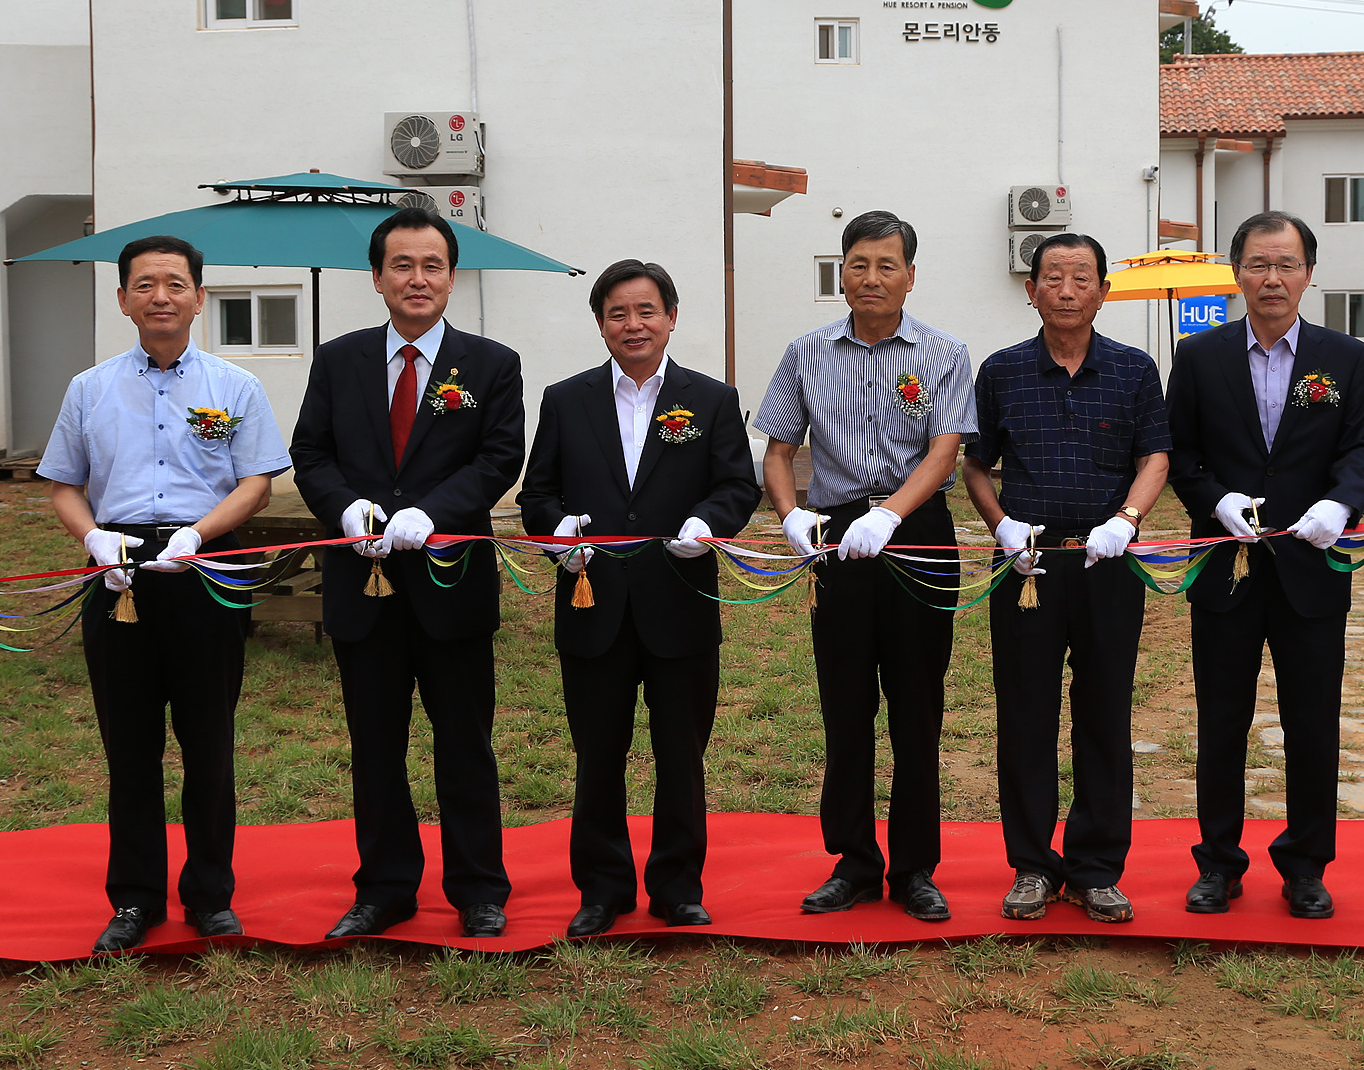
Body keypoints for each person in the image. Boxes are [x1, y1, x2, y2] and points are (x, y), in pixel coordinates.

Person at [38, 235, 288, 954]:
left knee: (209, 742)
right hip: (116, 570)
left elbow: (255, 482)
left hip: (202, 568)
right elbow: (63, 482)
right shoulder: (89, 388)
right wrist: (92, 537)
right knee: (131, 747)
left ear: (200, 297)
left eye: (175, 283)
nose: (160, 296)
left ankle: (211, 894)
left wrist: (200, 534)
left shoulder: (235, 388)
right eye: (143, 284)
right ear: (122, 300)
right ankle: (135, 899)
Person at [290, 207, 524, 940]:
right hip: (362, 586)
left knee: (464, 741)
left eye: (432, 265)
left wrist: (436, 512)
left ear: (452, 276)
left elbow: (498, 457)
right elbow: (311, 452)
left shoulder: (491, 363)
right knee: (375, 744)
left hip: (450, 580)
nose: (417, 278)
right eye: (402, 265)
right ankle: (385, 886)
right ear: (378, 276)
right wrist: (345, 507)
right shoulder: (339, 359)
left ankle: (479, 888)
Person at [518, 259, 759, 937]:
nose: (634, 324)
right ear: (600, 323)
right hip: (593, 603)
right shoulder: (567, 399)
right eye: (619, 312)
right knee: (598, 753)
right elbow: (538, 494)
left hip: (678, 599)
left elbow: (737, 485)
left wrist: (706, 521)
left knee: (681, 752)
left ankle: (678, 885)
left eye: (647, 310)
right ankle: (601, 887)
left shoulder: (710, 399)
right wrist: (556, 529)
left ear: (671, 317)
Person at [755, 210, 975, 922]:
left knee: (918, 705)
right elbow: (780, 449)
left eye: (887, 265)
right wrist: (790, 514)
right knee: (845, 704)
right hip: (837, 536)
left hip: (918, 533)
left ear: (911, 274)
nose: (872, 277)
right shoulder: (805, 353)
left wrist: (893, 515)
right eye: (858, 264)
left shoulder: (944, 352)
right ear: (840, 273)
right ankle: (852, 859)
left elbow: (945, 450)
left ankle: (915, 866)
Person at [1166, 210, 1364, 921]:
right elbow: (1182, 454)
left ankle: (1306, 865)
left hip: (1312, 568)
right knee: (1222, 721)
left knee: (1313, 722)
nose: (1272, 278)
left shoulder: (1346, 357)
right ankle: (1219, 864)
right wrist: (1214, 498)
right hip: (1226, 568)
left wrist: (1341, 504)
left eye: (1287, 264)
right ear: (1238, 272)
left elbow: (1362, 449)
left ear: (1308, 274)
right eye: (1259, 263)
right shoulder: (1199, 356)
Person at [961, 233, 1171, 924]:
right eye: (1053, 276)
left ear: (1103, 290)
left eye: (1082, 277)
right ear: (1031, 289)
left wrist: (1129, 519)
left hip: (1109, 560)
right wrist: (999, 525)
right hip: (1027, 566)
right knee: (1025, 712)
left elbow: (1156, 457)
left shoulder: (1135, 370)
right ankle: (1031, 864)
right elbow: (975, 464)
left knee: (1104, 711)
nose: (1067, 289)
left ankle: (1096, 866)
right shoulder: (1001, 372)